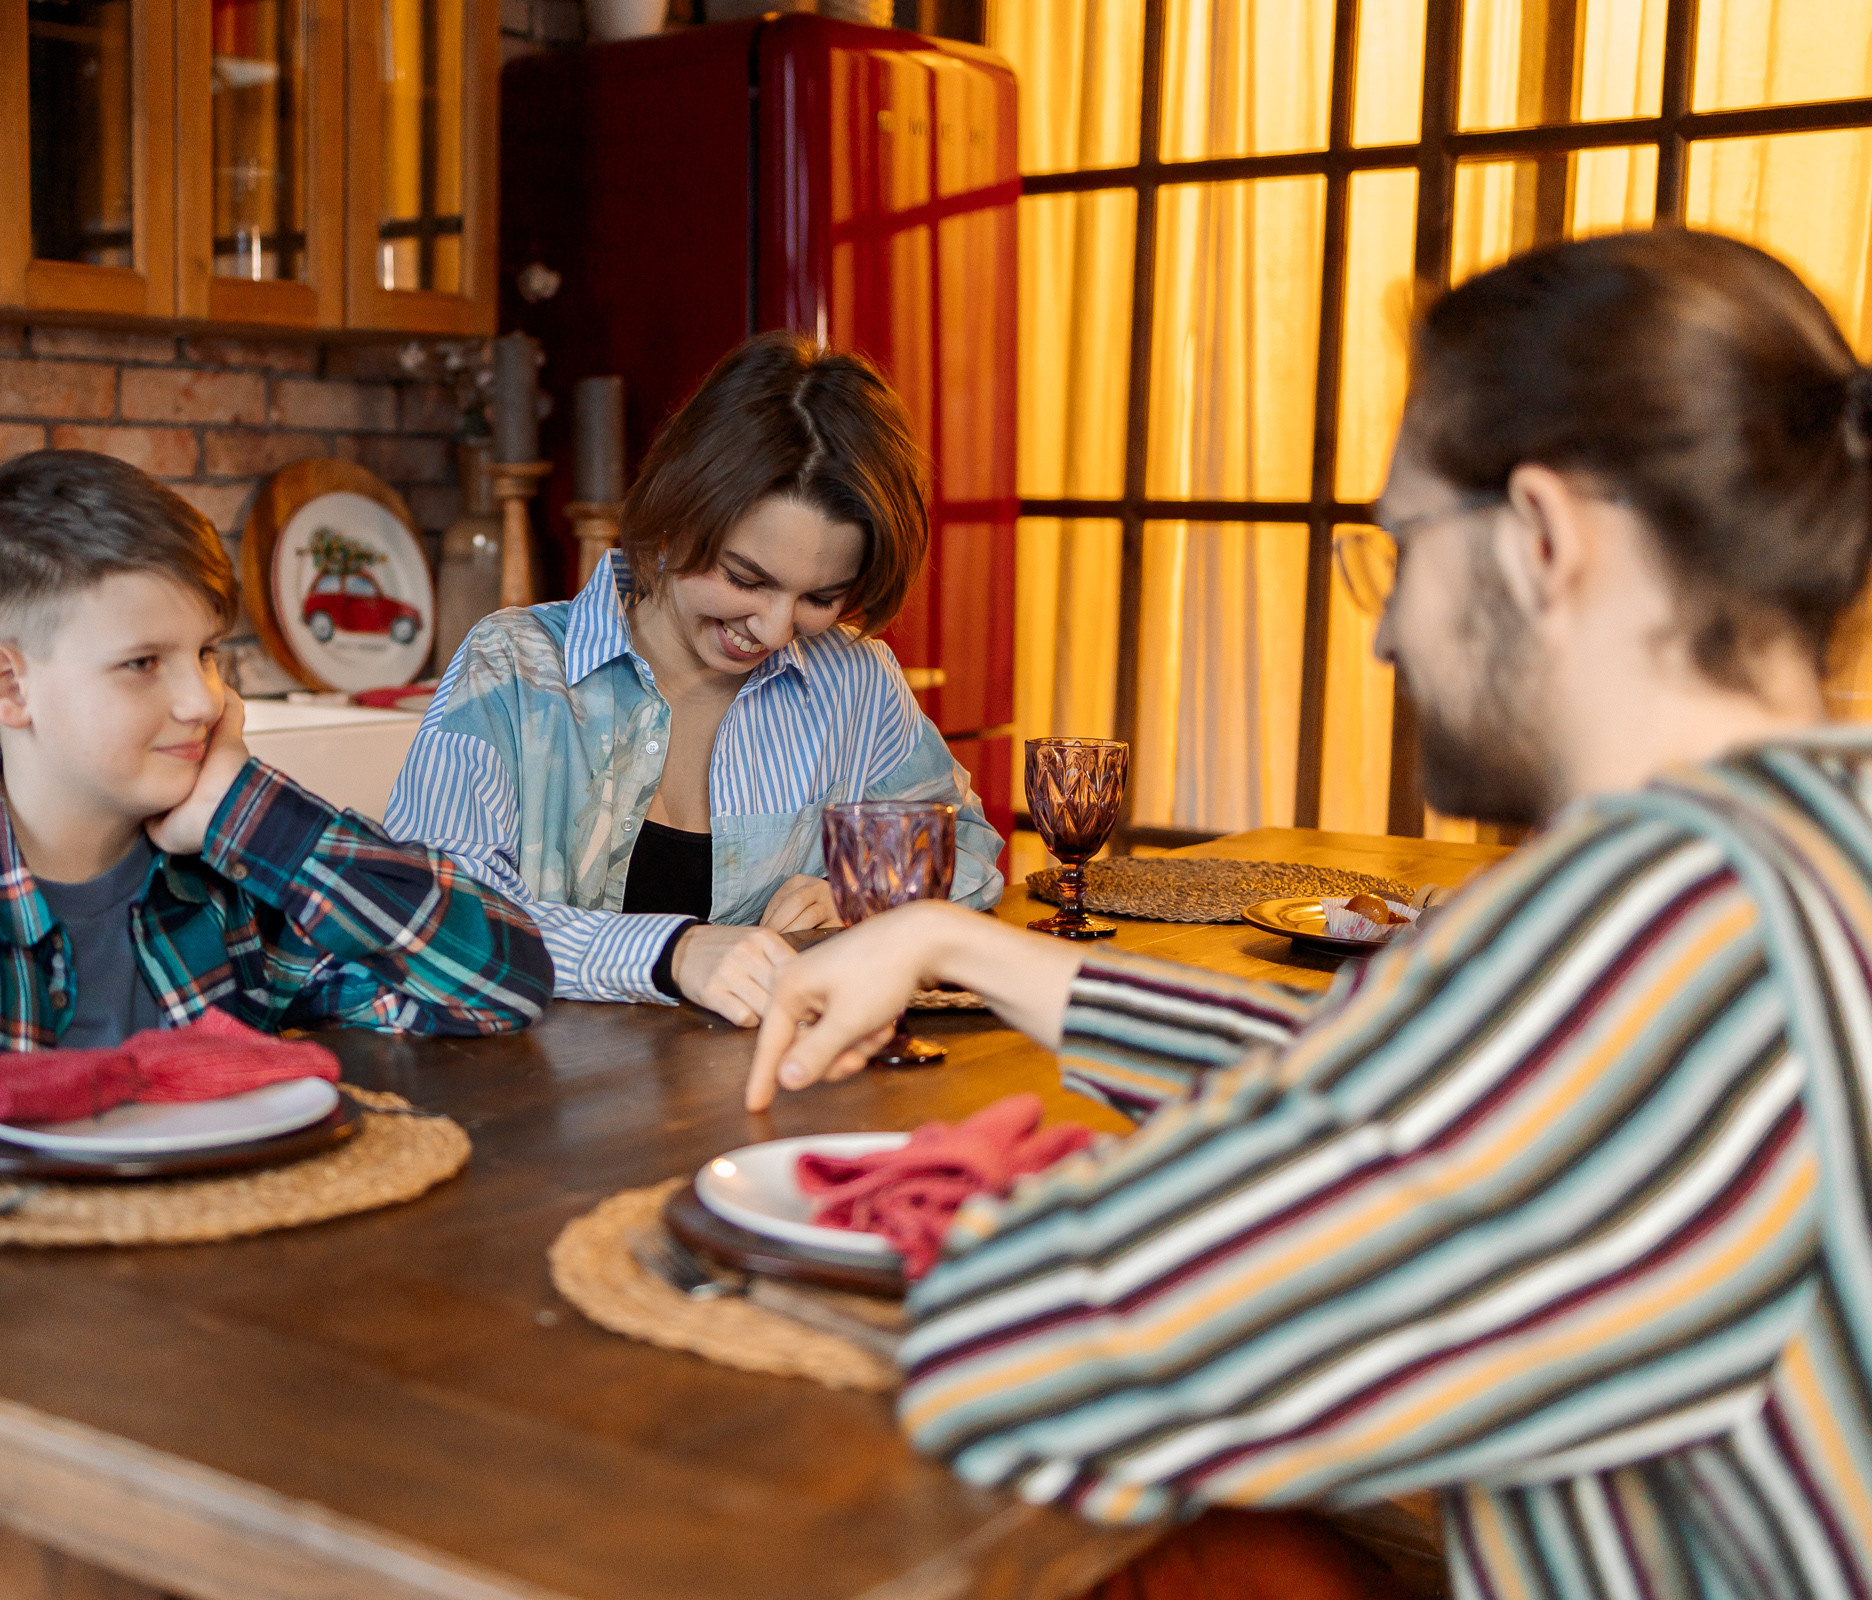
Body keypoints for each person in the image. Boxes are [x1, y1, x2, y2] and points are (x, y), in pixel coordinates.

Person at [750, 230, 1872, 1597]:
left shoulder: (1662, 920)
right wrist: (961, 946)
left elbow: (1033, 1356)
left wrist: (984, 1194)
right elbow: (1424, 1079)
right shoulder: (1815, 836)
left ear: (1542, 535)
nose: (1390, 632)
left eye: (1399, 545)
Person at [0, 450, 552, 1600]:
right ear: (10, 685)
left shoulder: (221, 895)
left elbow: (500, 981)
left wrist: (249, 811)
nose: (200, 700)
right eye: (143, 663)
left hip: (181, 1414)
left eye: (206, 654)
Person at [385, 333, 1003, 1025]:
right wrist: (670, 952)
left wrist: (863, 899)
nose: (774, 630)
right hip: (543, 1109)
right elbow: (429, 918)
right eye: (745, 579)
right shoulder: (514, 670)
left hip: (778, 1099)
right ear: (677, 518)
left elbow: (970, 851)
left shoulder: (854, 683)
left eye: (819, 598)